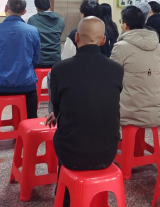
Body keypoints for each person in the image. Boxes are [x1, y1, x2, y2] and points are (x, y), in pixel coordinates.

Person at [46, 17, 123, 207]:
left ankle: (65, 196)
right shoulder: (116, 69)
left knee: (65, 134)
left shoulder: (59, 69)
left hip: (71, 154)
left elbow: (58, 107)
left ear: (76, 38)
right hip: (107, 153)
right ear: (103, 40)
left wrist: (58, 113)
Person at [0, 0, 40, 119]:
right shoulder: (33, 31)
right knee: (31, 114)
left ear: (6, 8)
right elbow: (36, 59)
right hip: (26, 85)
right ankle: (29, 126)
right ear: (24, 12)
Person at [111, 5, 160, 128]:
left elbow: (111, 75)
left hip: (129, 111)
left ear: (125, 25)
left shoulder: (121, 47)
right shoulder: (157, 45)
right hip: (155, 109)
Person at [27, 0, 65, 68]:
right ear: (50, 5)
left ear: (37, 8)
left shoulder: (32, 20)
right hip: (56, 60)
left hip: (38, 61)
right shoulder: (61, 21)